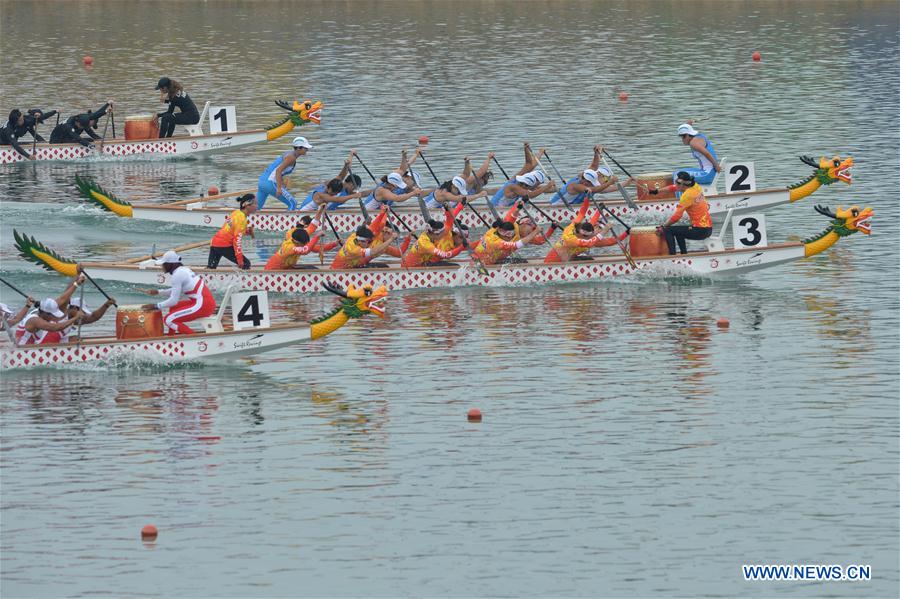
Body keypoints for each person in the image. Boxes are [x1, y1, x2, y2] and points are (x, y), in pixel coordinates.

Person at [140, 251, 215, 335]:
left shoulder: (177, 275)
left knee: (168, 320)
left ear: (170, 264)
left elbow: (173, 300)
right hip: (205, 303)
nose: (162, 266)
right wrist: (158, 292)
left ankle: (195, 338)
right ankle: (171, 336)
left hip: (202, 305)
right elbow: (175, 291)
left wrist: (156, 306)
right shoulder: (184, 270)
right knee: (174, 307)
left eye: (163, 264)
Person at [544, 197, 627, 263]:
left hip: (567, 259)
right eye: (597, 228)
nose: (597, 232)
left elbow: (582, 212)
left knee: (589, 259)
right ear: (585, 235)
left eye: (598, 228)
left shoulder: (576, 227)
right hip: (553, 263)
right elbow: (589, 243)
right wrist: (604, 230)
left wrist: (627, 233)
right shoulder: (571, 239)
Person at [471, 203, 550, 265]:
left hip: (486, 258)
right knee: (522, 262)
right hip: (482, 264)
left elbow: (512, 217)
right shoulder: (498, 242)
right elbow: (517, 245)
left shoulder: (496, 229)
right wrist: (535, 232)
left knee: (519, 260)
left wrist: (518, 207)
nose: (511, 238)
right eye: (532, 228)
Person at [655, 171, 713, 254]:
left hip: (700, 231)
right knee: (678, 231)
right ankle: (683, 254)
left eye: (677, 182)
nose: (675, 184)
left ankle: (672, 256)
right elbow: (674, 187)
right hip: (708, 229)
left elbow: (676, 217)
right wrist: (656, 191)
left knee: (668, 230)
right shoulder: (696, 187)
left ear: (683, 185)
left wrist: (663, 226)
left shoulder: (687, 196)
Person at [549, 146, 620, 206]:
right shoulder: (575, 185)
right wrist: (610, 182)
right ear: (585, 181)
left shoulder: (586, 175)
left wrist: (596, 153)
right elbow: (595, 189)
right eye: (591, 183)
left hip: (571, 206)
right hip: (556, 207)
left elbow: (594, 166)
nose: (592, 185)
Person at [256, 136, 313, 210]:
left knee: (256, 208)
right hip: (270, 183)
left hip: (262, 182)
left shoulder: (288, 154)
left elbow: (278, 171)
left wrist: (282, 183)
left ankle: (245, 220)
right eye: (305, 148)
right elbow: (278, 171)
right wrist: (279, 188)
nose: (307, 150)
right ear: (298, 148)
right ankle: (288, 221)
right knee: (293, 203)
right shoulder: (291, 157)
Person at [491, 144, 556, 207]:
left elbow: (531, 165)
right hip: (495, 209)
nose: (538, 185)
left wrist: (540, 152)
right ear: (534, 181)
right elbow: (531, 195)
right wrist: (547, 186)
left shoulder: (525, 183)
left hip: (503, 209)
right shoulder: (515, 185)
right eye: (538, 183)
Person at [266, 206, 330, 270]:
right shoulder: (289, 247)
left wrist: (320, 211)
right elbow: (306, 250)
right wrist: (317, 236)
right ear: (298, 242)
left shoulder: (300, 235)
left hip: (287, 267)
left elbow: (313, 225)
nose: (306, 244)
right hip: (274, 270)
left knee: (313, 268)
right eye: (304, 243)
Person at [362, 149, 428, 210]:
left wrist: (415, 154)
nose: (413, 185)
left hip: (382, 210)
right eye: (414, 183)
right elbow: (397, 198)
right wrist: (413, 193)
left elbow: (406, 166)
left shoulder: (398, 181)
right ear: (392, 185)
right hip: (369, 213)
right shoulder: (383, 190)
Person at [299, 150, 365, 210]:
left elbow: (343, 173)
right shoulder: (322, 195)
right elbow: (338, 199)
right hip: (302, 215)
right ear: (329, 188)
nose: (333, 195)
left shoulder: (333, 183)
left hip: (315, 213)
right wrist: (353, 196)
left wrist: (350, 156)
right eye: (334, 193)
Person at [401, 209, 467, 268]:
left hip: (419, 264)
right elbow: (445, 255)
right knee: (456, 267)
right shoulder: (426, 244)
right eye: (442, 234)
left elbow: (449, 222)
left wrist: (448, 209)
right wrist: (462, 247)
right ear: (436, 234)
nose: (443, 235)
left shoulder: (427, 235)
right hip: (410, 269)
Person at [208, 193, 257, 269]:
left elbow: (231, 229)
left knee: (210, 270)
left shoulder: (236, 212)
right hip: (224, 245)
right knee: (246, 264)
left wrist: (247, 231)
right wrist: (240, 259)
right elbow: (237, 240)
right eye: (255, 204)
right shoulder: (241, 219)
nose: (257, 206)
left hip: (214, 242)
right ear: (247, 205)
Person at [14, 298, 85, 346]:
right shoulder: (35, 320)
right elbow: (56, 328)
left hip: (28, 348)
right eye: (52, 315)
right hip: (21, 350)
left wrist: (76, 283)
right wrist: (75, 318)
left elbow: (64, 298)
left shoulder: (37, 313)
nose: (53, 318)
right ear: (45, 313)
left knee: (74, 339)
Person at [330, 225, 399, 269]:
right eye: (369, 242)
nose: (369, 245)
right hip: (339, 270)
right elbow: (373, 251)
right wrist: (391, 239)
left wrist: (383, 213)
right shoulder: (355, 250)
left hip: (352, 266)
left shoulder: (354, 236)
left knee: (383, 266)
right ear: (361, 241)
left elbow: (373, 227)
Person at [49, 102, 113, 145]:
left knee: (90, 139)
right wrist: (90, 146)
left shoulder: (85, 118)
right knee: (87, 141)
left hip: (68, 138)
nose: (83, 128)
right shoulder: (69, 125)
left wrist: (107, 106)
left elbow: (97, 114)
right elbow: (78, 138)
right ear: (77, 122)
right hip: (57, 141)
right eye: (82, 127)